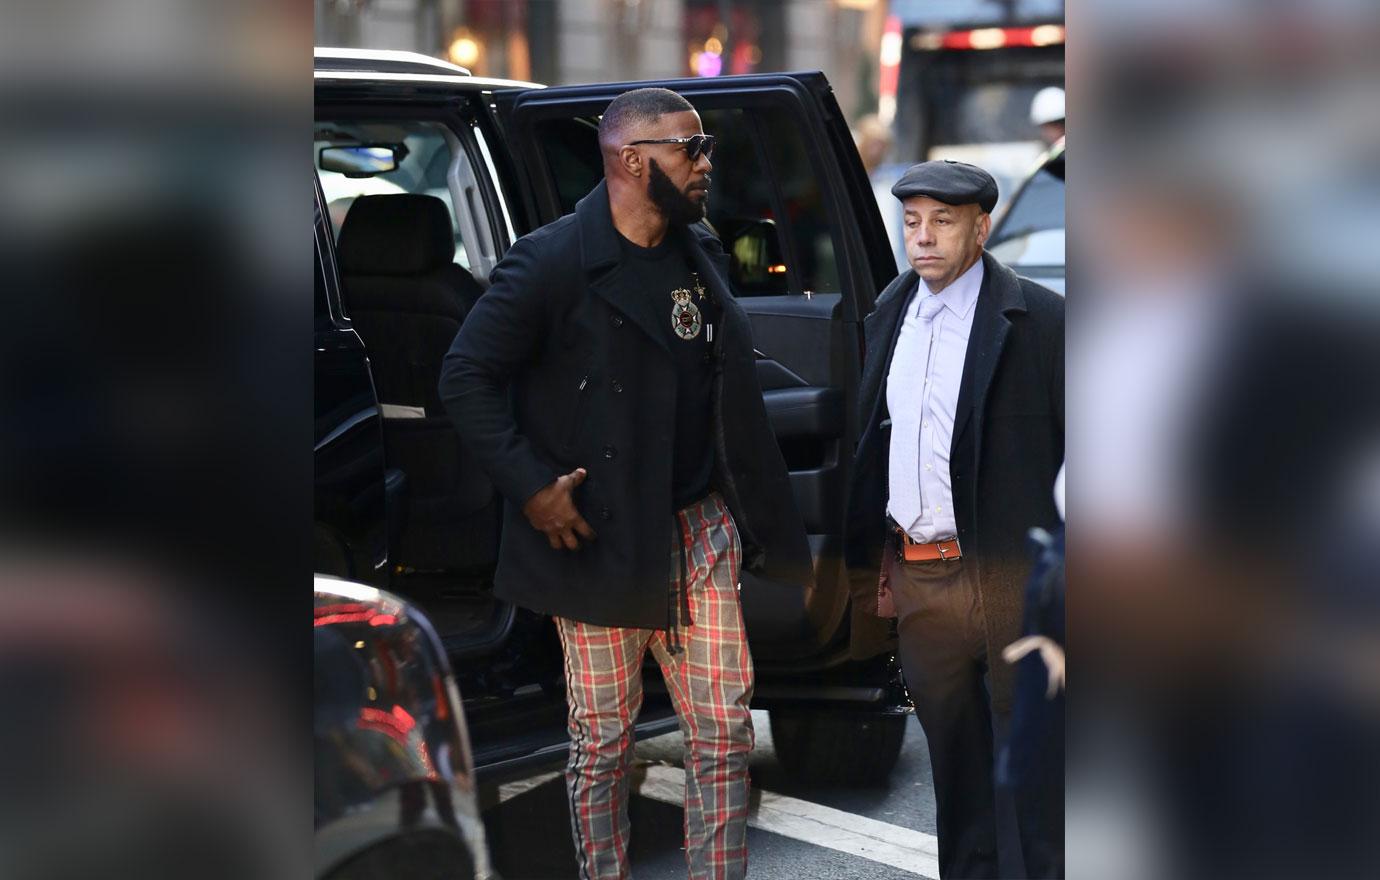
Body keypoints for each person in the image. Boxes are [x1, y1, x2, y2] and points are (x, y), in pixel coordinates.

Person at [438, 87, 811, 880]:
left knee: (723, 730)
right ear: (635, 160)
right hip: (600, 535)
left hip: (697, 525)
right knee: (603, 741)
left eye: (705, 146)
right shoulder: (549, 260)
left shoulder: (698, 247)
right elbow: (465, 375)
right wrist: (533, 485)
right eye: (692, 147)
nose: (707, 162)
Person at [844, 160, 1064, 878]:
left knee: (1031, 778)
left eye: (942, 221)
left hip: (1009, 578)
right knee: (957, 778)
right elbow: (875, 443)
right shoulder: (888, 316)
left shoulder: (1042, 319)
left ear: (981, 226)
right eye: (912, 222)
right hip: (922, 580)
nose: (924, 239)